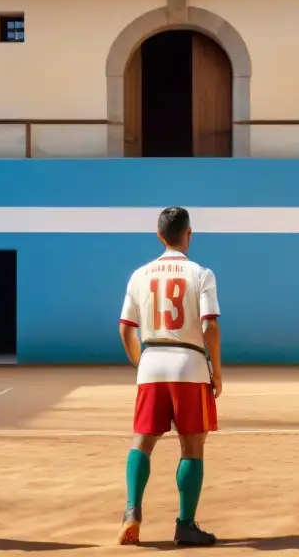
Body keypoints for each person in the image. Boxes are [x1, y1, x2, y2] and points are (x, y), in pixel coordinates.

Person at [116, 207, 221, 548]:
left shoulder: (139, 274)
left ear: (159, 236)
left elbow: (125, 328)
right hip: (188, 363)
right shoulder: (201, 273)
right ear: (188, 234)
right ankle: (185, 525)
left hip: (151, 362)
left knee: (142, 442)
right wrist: (216, 371)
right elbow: (210, 326)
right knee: (192, 446)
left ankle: (132, 512)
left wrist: (140, 363)